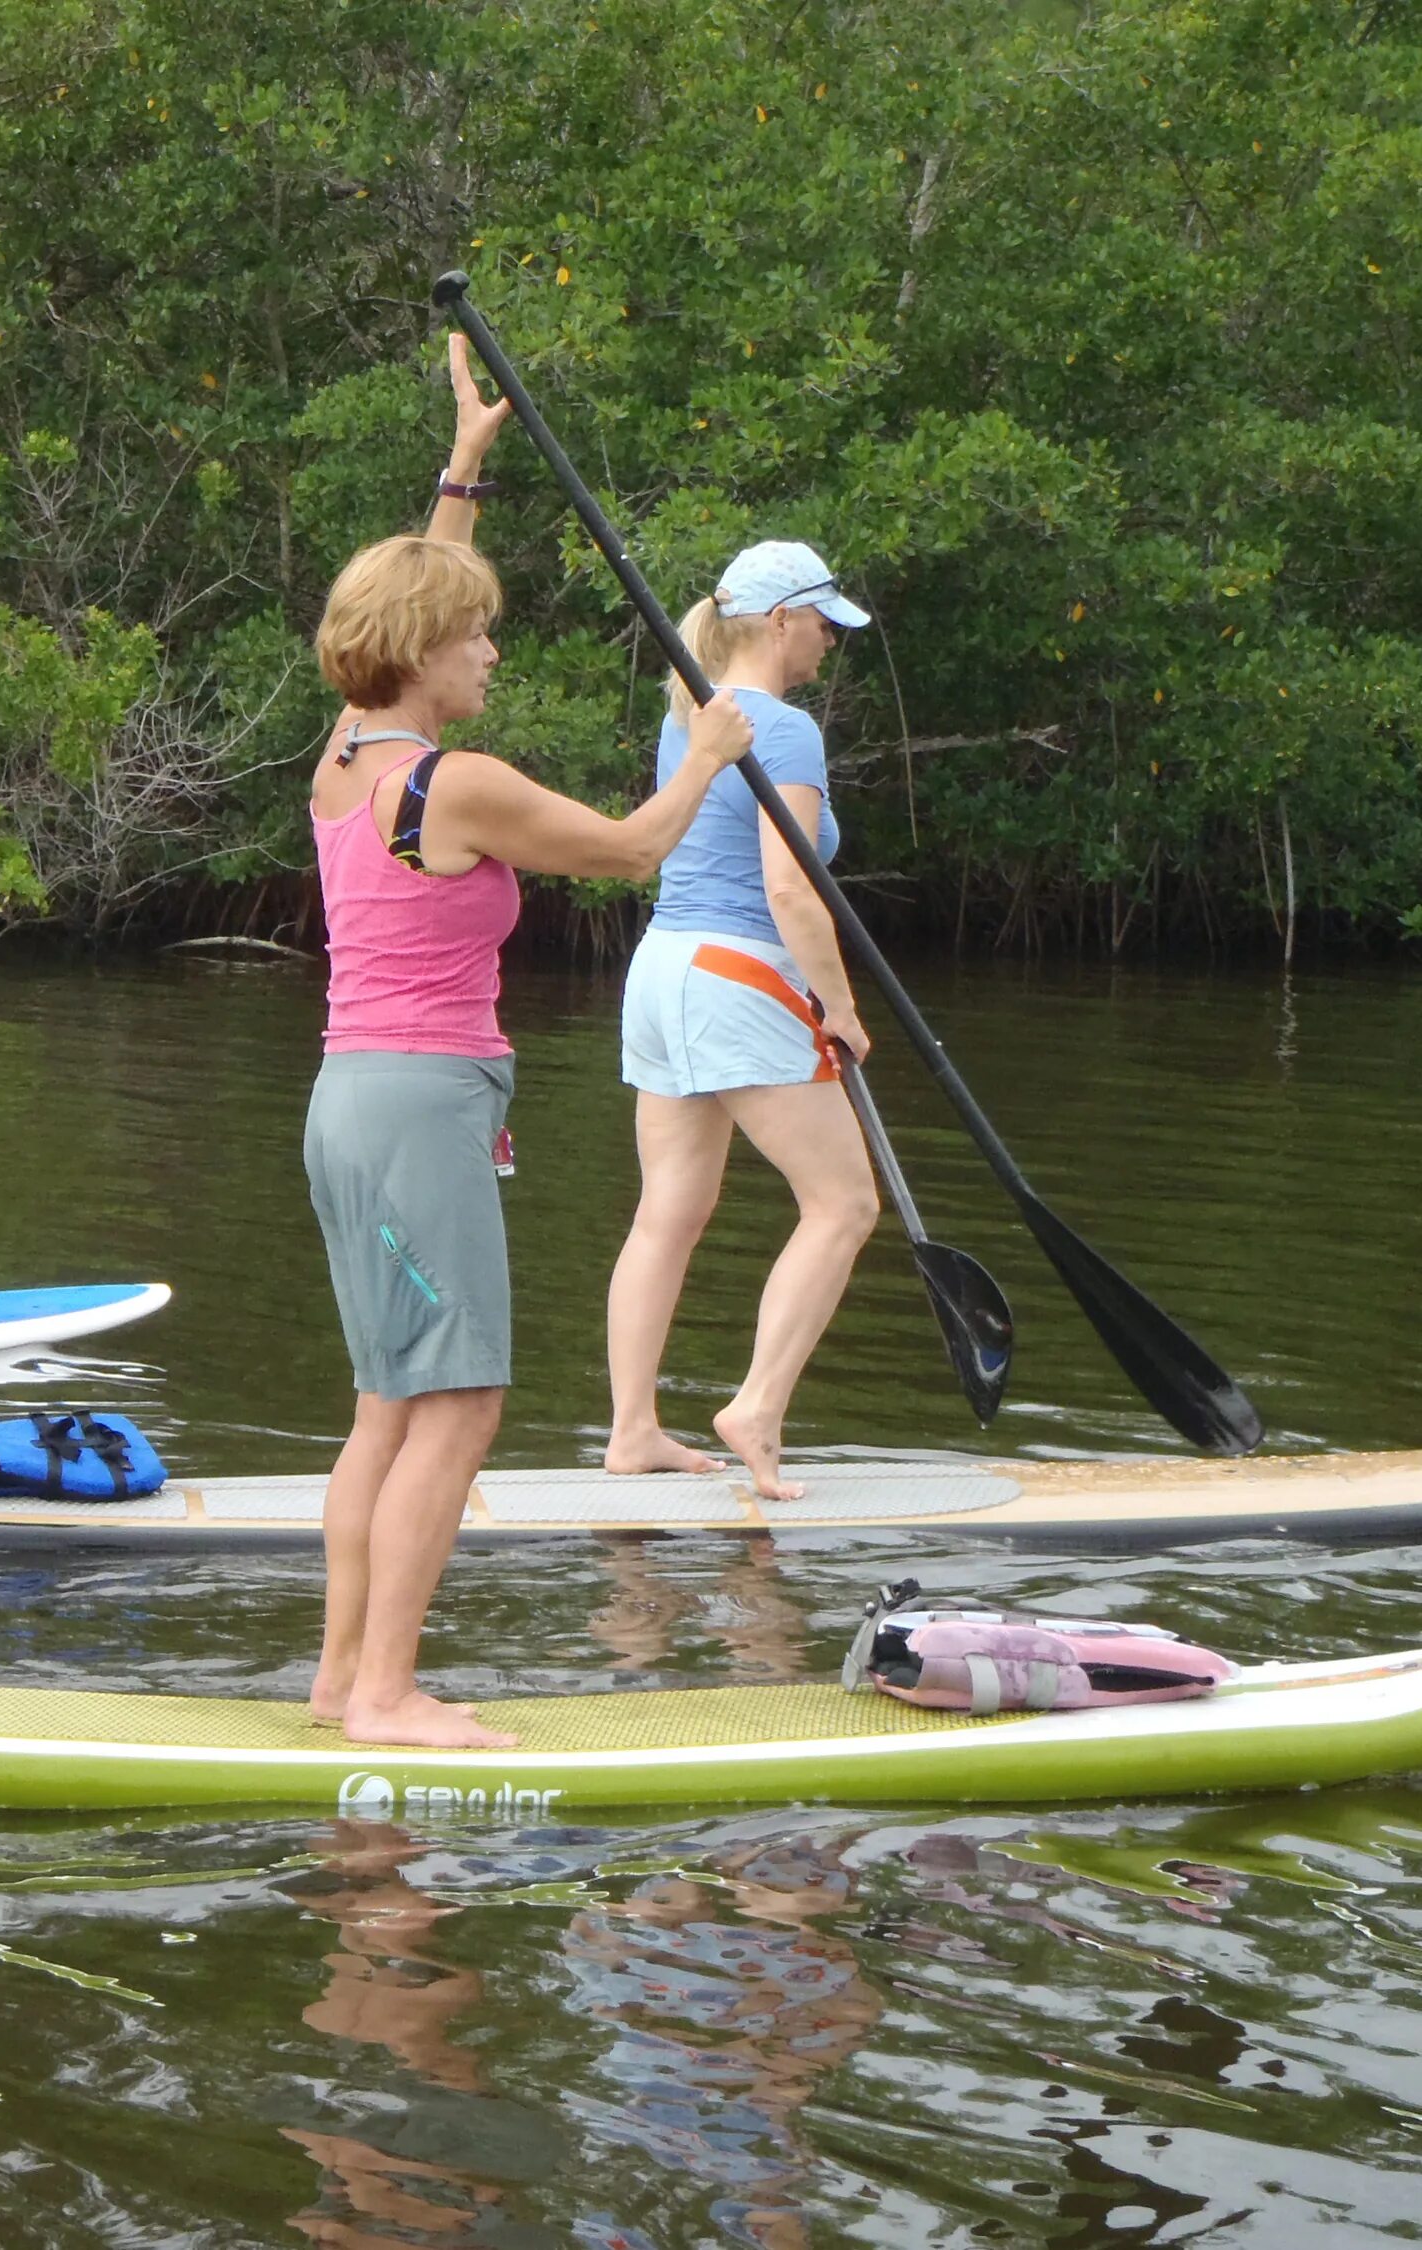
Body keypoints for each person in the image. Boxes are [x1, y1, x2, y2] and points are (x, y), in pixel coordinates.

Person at [303, 333, 754, 1750]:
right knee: (462, 1402)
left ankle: (338, 1681)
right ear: (427, 655)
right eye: (478, 632)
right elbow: (626, 852)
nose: (492, 648)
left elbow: (405, 600)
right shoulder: (462, 781)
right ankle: (384, 1693)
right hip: (421, 1108)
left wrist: (466, 466)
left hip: (346, 1104)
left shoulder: (344, 756)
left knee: (389, 1403)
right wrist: (710, 753)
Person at [602, 541, 881, 1501]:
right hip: (740, 973)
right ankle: (755, 1407)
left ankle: (632, 1430)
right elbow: (789, 886)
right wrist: (839, 1008)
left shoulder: (690, 716)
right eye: (821, 625)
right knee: (845, 1205)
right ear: (780, 621)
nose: (826, 645)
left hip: (662, 971)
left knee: (667, 1211)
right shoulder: (785, 730)